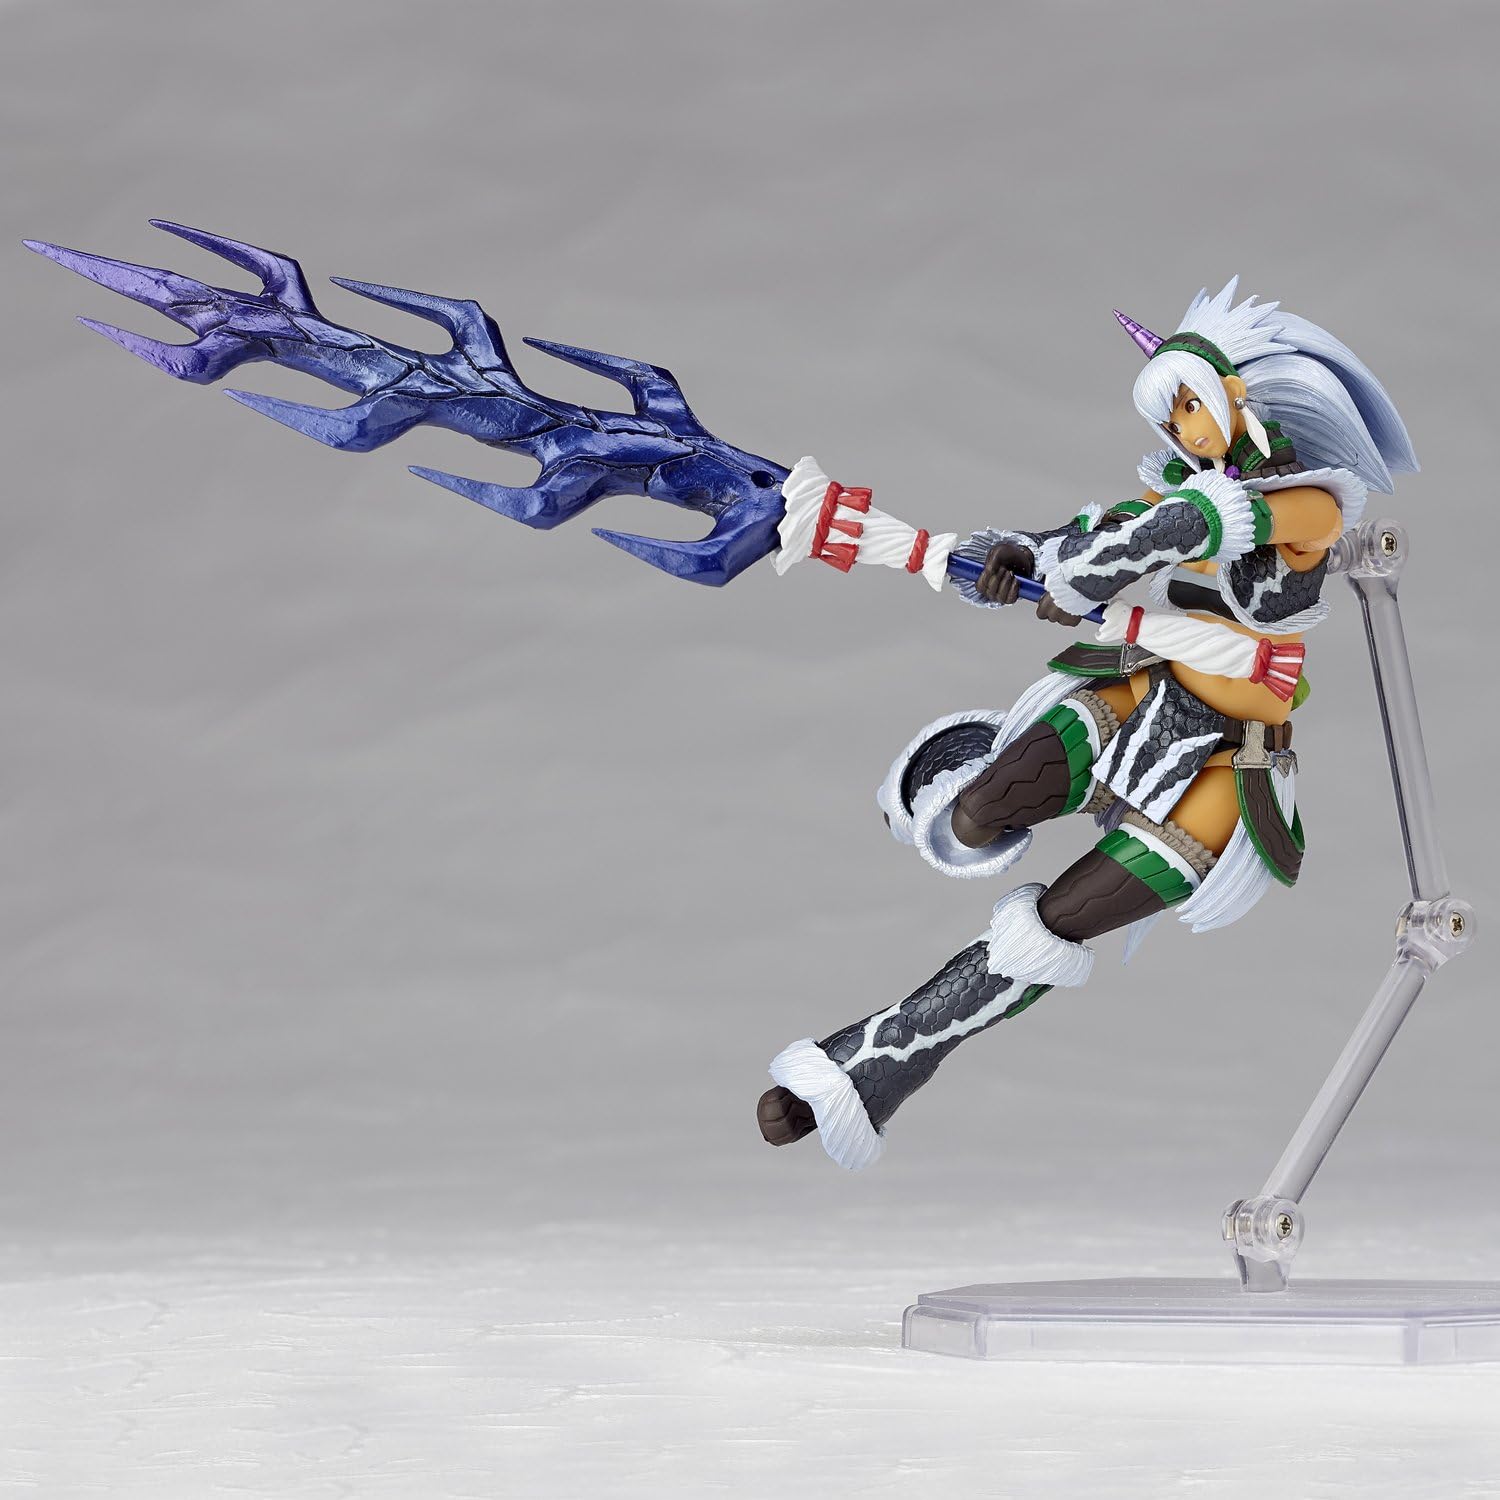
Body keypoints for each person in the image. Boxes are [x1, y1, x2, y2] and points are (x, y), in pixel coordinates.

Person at [757, 279, 1419, 1172]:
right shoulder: (1179, 489)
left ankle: (880, 1059)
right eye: (1169, 415)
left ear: (1237, 394)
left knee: (1054, 925)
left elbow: (1189, 530)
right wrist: (1021, 555)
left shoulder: (1310, 507)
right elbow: (1103, 532)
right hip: (1139, 697)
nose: (1183, 429)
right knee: (976, 814)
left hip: (1225, 768)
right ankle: (961, 775)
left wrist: (1078, 576)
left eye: (1190, 404)